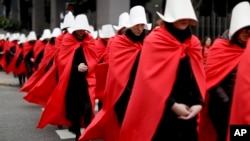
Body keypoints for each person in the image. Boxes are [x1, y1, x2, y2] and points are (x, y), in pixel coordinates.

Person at [119, 0, 206, 140]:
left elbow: (197, 76)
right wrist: (172, 104)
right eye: (179, 16)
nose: (184, 19)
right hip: (160, 116)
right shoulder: (154, 41)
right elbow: (147, 81)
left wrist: (198, 103)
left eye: (186, 15)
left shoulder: (193, 43)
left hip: (189, 114)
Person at [79, 5, 151, 141]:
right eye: (137, 25)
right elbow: (116, 69)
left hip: (142, 92)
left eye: (142, 25)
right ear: (130, 25)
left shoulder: (148, 42)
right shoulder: (118, 42)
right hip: (123, 92)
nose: (140, 28)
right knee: (123, 123)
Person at [37, 14, 98, 141]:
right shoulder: (67, 39)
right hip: (72, 79)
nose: (81, 32)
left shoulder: (90, 40)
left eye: (83, 29)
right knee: (75, 109)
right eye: (79, 29)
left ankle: (86, 132)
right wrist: (76, 67)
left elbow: (94, 58)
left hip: (87, 79)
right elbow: (63, 60)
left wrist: (87, 66)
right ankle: (77, 134)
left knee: (88, 106)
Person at [198, 2, 250, 141]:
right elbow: (211, 80)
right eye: (243, 29)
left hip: (243, 107)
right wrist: (228, 103)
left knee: (240, 135)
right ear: (236, 29)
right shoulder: (221, 47)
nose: (247, 32)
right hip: (222, 108)